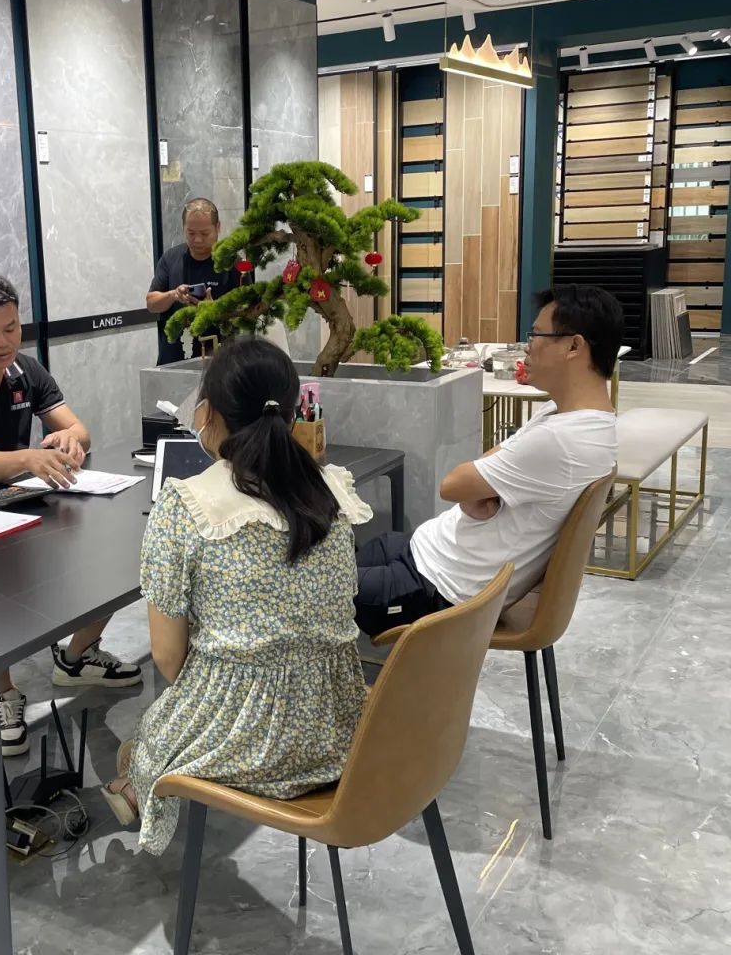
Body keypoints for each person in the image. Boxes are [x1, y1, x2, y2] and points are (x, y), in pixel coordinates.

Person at [102, 336, 372, 854]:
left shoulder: (186, 505)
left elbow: (168, 658)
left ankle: (134, 784)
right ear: (292, 413)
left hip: (242, 742)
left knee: (147, 740)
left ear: (206, 413)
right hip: (336, 732)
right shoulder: (333, 491)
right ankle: (138, 776)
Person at [0, 270, 141, 755]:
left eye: (12, 328)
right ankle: (1, 693)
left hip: (18, 499)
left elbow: (79, 430)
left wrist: (68, 440)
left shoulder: (25, 370)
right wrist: (31, 458)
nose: (3, 342)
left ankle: (77, 656)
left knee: (115, 553)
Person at [353, 284, 622, 637]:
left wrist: (477, 486)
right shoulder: (578, 420)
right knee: (327, 557)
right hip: (428, 552)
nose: (528, 346)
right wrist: (480, 485)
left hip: (435, 588)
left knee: (299, 587)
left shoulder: (560, 440)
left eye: (536, 334)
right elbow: (480, 474)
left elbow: (453, 485)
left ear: (574, 346)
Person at [147, 197, 241, 365]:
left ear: (218, 227)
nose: (197, 240)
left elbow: (247, 313)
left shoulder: (232, 263)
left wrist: (216, 310)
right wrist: (173, 295)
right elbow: (151, 303)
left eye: (205, 233)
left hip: (219, 363)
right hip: (173, 361)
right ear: (183, 228)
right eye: (191, 233)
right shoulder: (171, 258)